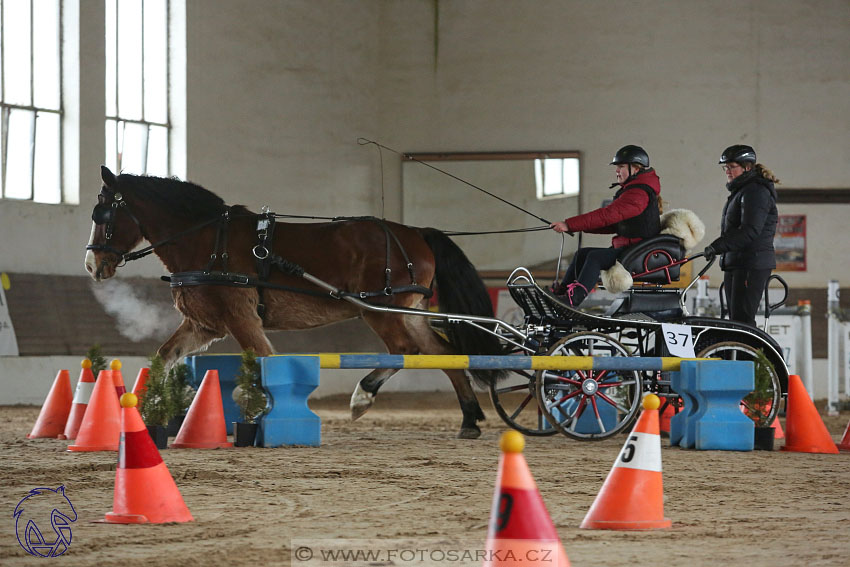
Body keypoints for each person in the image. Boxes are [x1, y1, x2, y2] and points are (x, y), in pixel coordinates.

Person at [550, 145, 661, 306]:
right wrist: (575, 226)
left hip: (638, 252)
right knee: (582, 254)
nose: (617, 171)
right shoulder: (633, 191)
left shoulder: (637, 194)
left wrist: (570, 225)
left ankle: (573, 299)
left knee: (595, 258)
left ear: (636, 169)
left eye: (621, 167)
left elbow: (607, 216)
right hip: (632, 248)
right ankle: (562, 292)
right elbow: (615, 224)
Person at [703, 145, 779, 326]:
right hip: (739, 262)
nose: (727, 171)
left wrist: (718, 246)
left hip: (751, 263)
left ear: (747, 167)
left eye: (731, 167)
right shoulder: (742, 191)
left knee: (742, 321)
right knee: (736, 320)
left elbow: (750, 230)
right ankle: (737, 353)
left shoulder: (755, 192)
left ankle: (749, 354)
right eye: (726, 167)